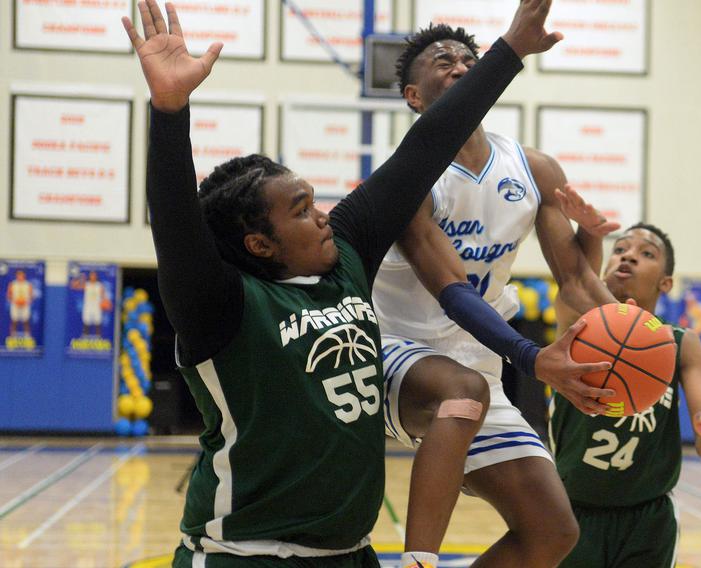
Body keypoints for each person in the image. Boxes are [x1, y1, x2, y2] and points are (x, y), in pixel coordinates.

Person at [121, 1, 557, 566]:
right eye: (301, 211)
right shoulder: (220, 306)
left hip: (350, 555)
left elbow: (425, 149)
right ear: (260, 243)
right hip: (244, 554)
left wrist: (511, 50)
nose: (323, 215)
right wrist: (169, 110)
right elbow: (177, 223)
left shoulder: (347, 256)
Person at [371, 23, 621, 568]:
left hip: (478, 364)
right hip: (396, 349)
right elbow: (452, 291)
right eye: (442, 61)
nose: (460, 66)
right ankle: (419, 562)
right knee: (460, 391)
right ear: (413, 97)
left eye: (468, 58)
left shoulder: (534, 169)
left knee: (551, 531)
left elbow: (576, 280)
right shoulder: (408, 175)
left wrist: (634, 335)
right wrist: (530, 358)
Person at [550, 223, 701, 568]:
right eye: (620, 249)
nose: (629, 256)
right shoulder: (577, 323)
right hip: (570, 509)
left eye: (646, 253)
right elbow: (574, 282)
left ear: (665, 282)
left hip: (648, 519)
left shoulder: (682, 344)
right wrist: (590, 233)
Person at [6, 270, 33, 337]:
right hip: (15, 305)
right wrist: (14, 301)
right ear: (16, 276)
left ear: (24, 275)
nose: (20, 276)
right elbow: (8, 295)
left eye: (21, 275)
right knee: (14, 321)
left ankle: (27, 337)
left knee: (26, 321)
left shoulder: (28, 284)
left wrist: (26, 301)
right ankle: (12, 337)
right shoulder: (12, 284)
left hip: (25, 305)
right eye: (18, 275)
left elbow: (31, 296)